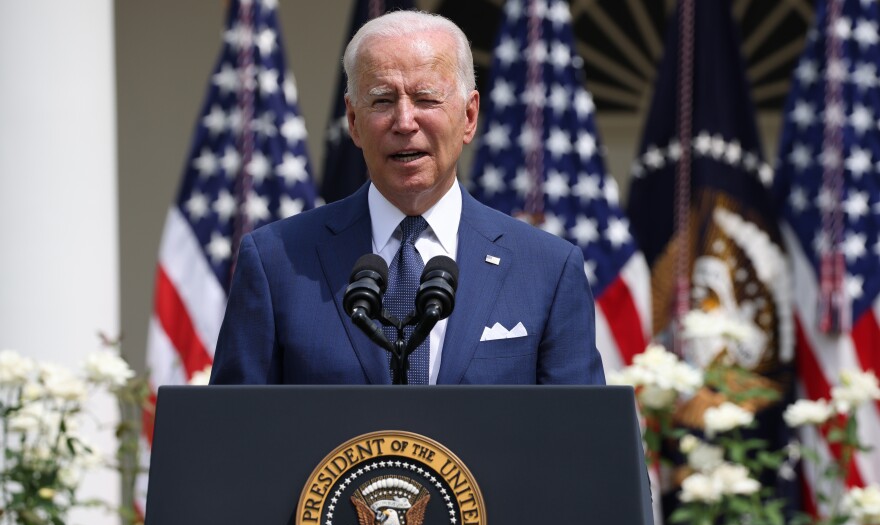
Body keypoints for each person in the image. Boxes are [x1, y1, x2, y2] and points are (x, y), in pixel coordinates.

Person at [209, 10, 604, 385]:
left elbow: (581, 443)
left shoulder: (548, 269)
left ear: (469, 117)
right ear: (353, 122)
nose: (404, 122)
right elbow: (233, 435)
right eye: (382, 100)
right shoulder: (276, 260)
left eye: (426, 99)